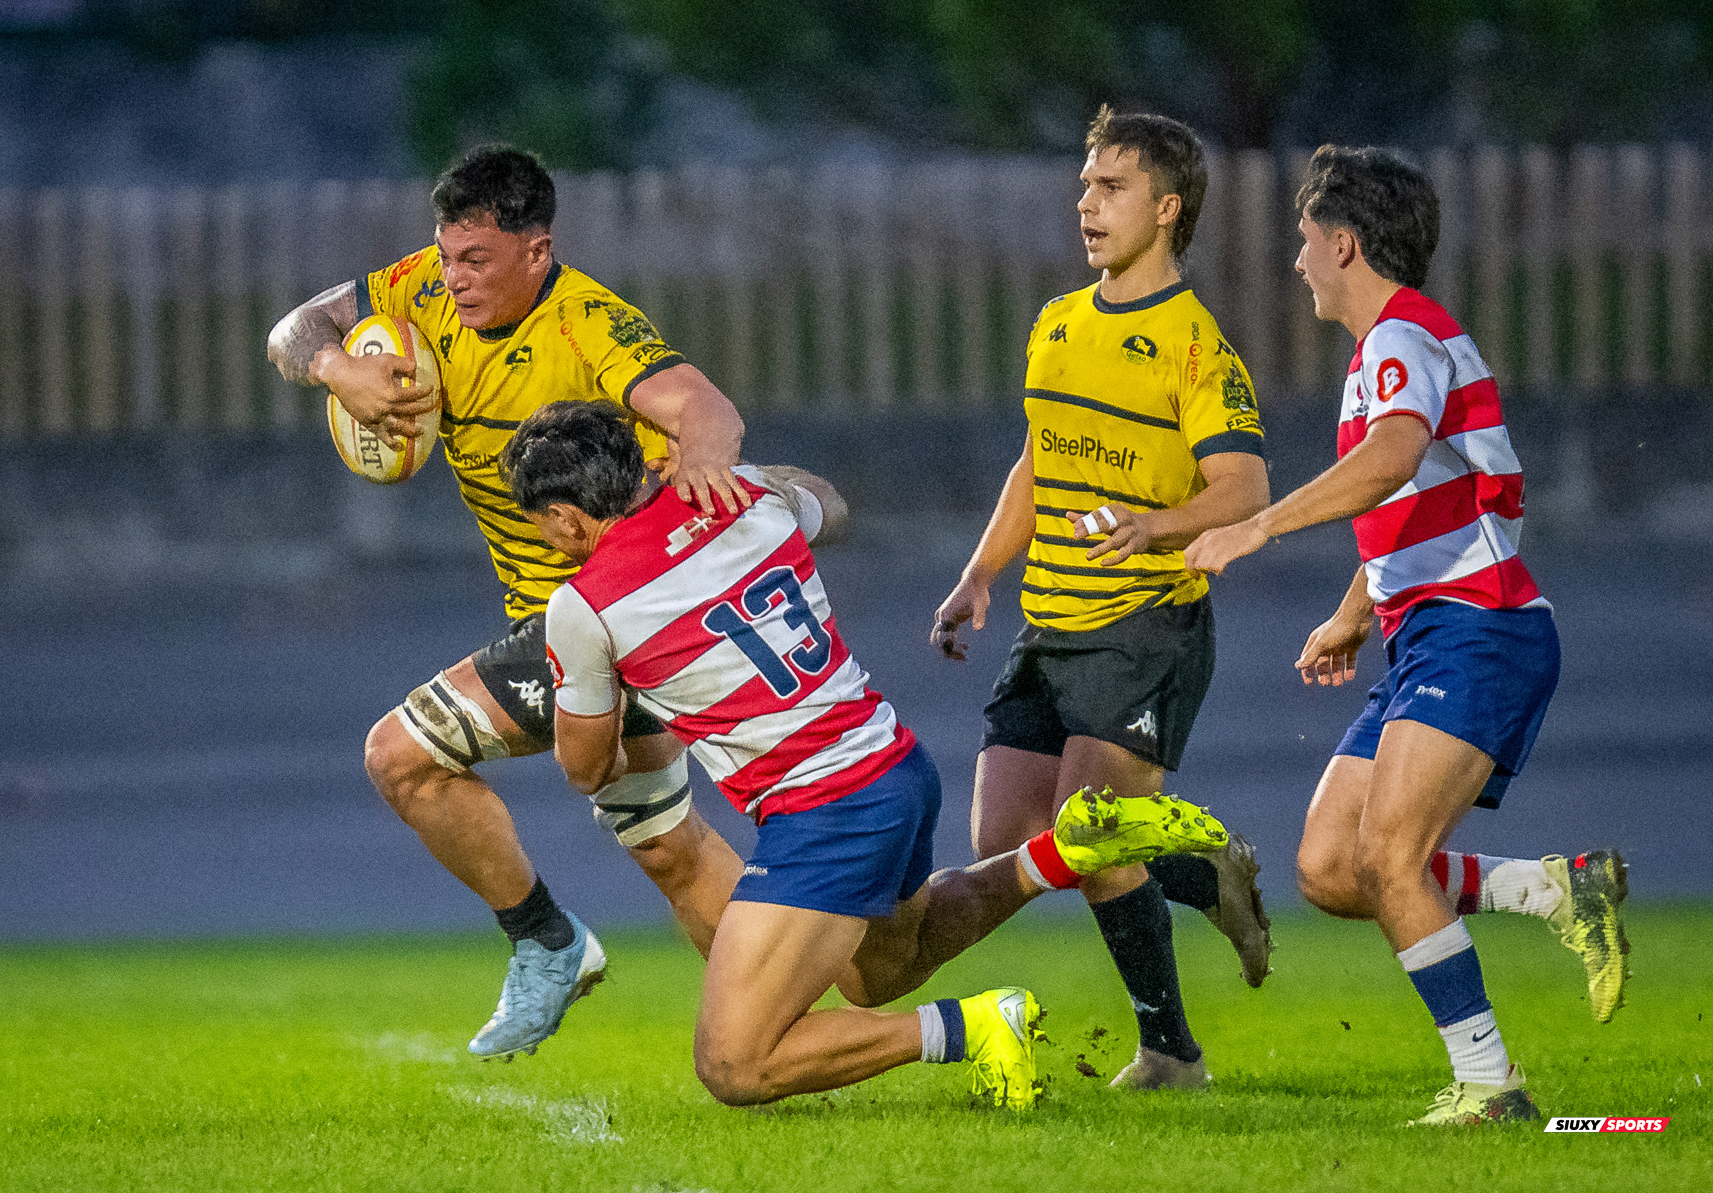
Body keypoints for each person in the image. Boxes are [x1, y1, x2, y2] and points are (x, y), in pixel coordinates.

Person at [508, 399, 1231, 1109]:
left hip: (822, 808)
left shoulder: (582, 604)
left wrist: (601, 683)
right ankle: (1062, 855)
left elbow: (585, 768)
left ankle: (973, 1026)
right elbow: (831, 505)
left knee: (734, 1062)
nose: (549, 542)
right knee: (880, 972)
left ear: (569, 516)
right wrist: (754, 475)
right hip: (892, 768)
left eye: (544, 527)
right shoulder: (746, 494)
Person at [266, 145, 750, 1060]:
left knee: (401, 757)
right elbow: (293, 331)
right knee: (668, 847)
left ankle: (545, 944)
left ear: (537, 249)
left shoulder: (589, 324)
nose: (455, 281)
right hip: (583, 622)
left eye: (476, 261)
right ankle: (786, 1031)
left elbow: (705, 408)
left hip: (601, 617)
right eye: (447, 257)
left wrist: (707, 470)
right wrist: (340, 370)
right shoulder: (421, 287)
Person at [1185, 144, 1629, 1125]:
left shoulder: (1401, 343)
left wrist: (1256, 524)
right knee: (1334, 868)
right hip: (1431, 632)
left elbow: (1390, 461)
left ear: (1343, 243)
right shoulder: (1392, 349)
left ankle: (1489, 1084)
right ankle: (1561, 891)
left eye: (1304, 241)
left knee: (1391, 856)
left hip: (1482, 630)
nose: (1297, 261)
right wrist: (1352, 613)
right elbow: (1417, 495)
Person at [929, 109, 1273, 1091]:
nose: (1087, 202)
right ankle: (1210, 876)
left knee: (1088, 827)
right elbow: (1039, 464)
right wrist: (981, 572)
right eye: (1084, 184)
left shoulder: (1195, 345)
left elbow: (1244, 489)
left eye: (1111, 187)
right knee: (1006, 848)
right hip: (1051, 622)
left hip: (1147, 626)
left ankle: (1171, 1053)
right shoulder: (1059, 323)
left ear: (1167, 209)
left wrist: (1154, 524)